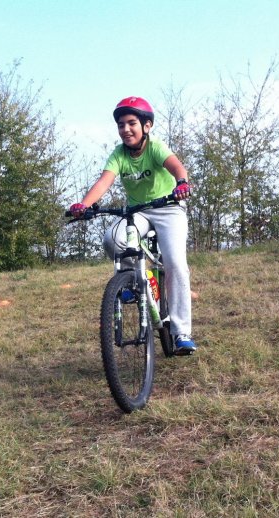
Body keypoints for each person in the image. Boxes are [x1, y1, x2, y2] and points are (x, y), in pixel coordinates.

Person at [69, 96, 196, 354]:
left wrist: (182, 183)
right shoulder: (119, 154)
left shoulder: (155, 147)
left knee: (176, 265)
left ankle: (181, 332)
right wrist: (83, 205)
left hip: (168, 208)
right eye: (120, 125)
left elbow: (176, 166)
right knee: (111, 239)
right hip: (138, 211)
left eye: (131, 123)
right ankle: (133, 281)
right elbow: (104, 181)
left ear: (146, 126)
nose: (125, 129)